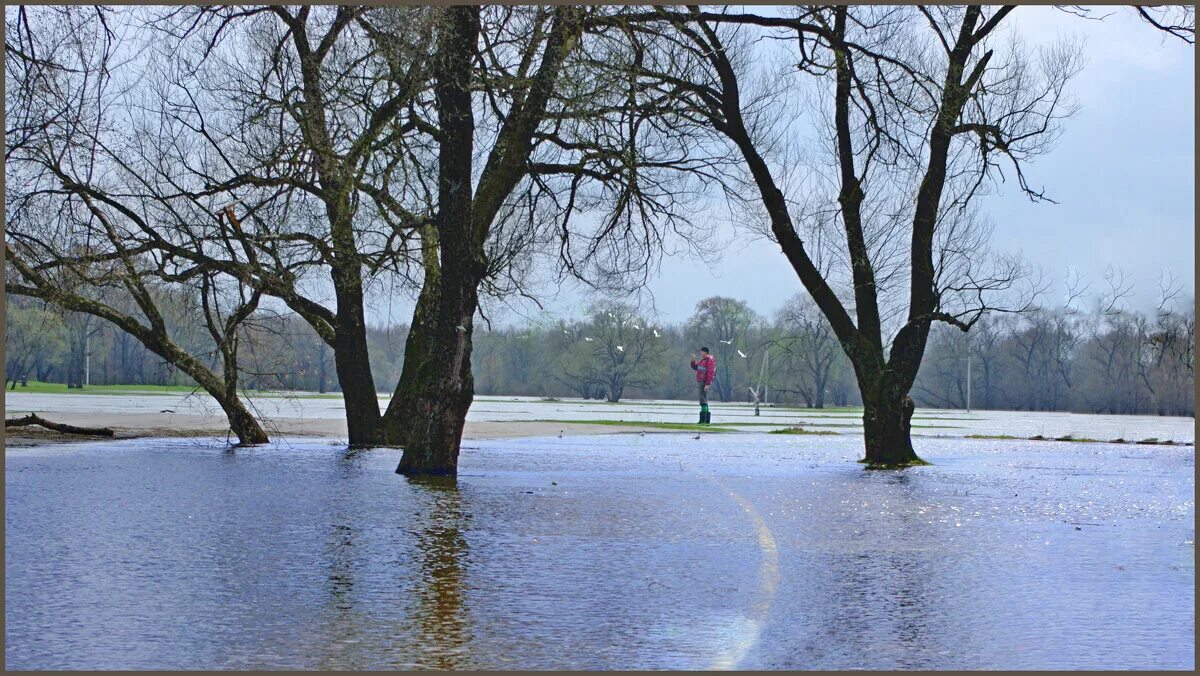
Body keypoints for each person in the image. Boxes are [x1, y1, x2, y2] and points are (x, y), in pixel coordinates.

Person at [690, 347, 716, 424]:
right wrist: (693, 360)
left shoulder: (709, 360)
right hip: (701, 381)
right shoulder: (703, 360)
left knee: (702, 400)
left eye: (701, 352)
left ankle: (702, 420)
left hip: (704, 382)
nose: (700, 353)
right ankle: (706, 421)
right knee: (704, 399)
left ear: (705, 352)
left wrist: (707, 384)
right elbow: (695, 367)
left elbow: (710, 373)